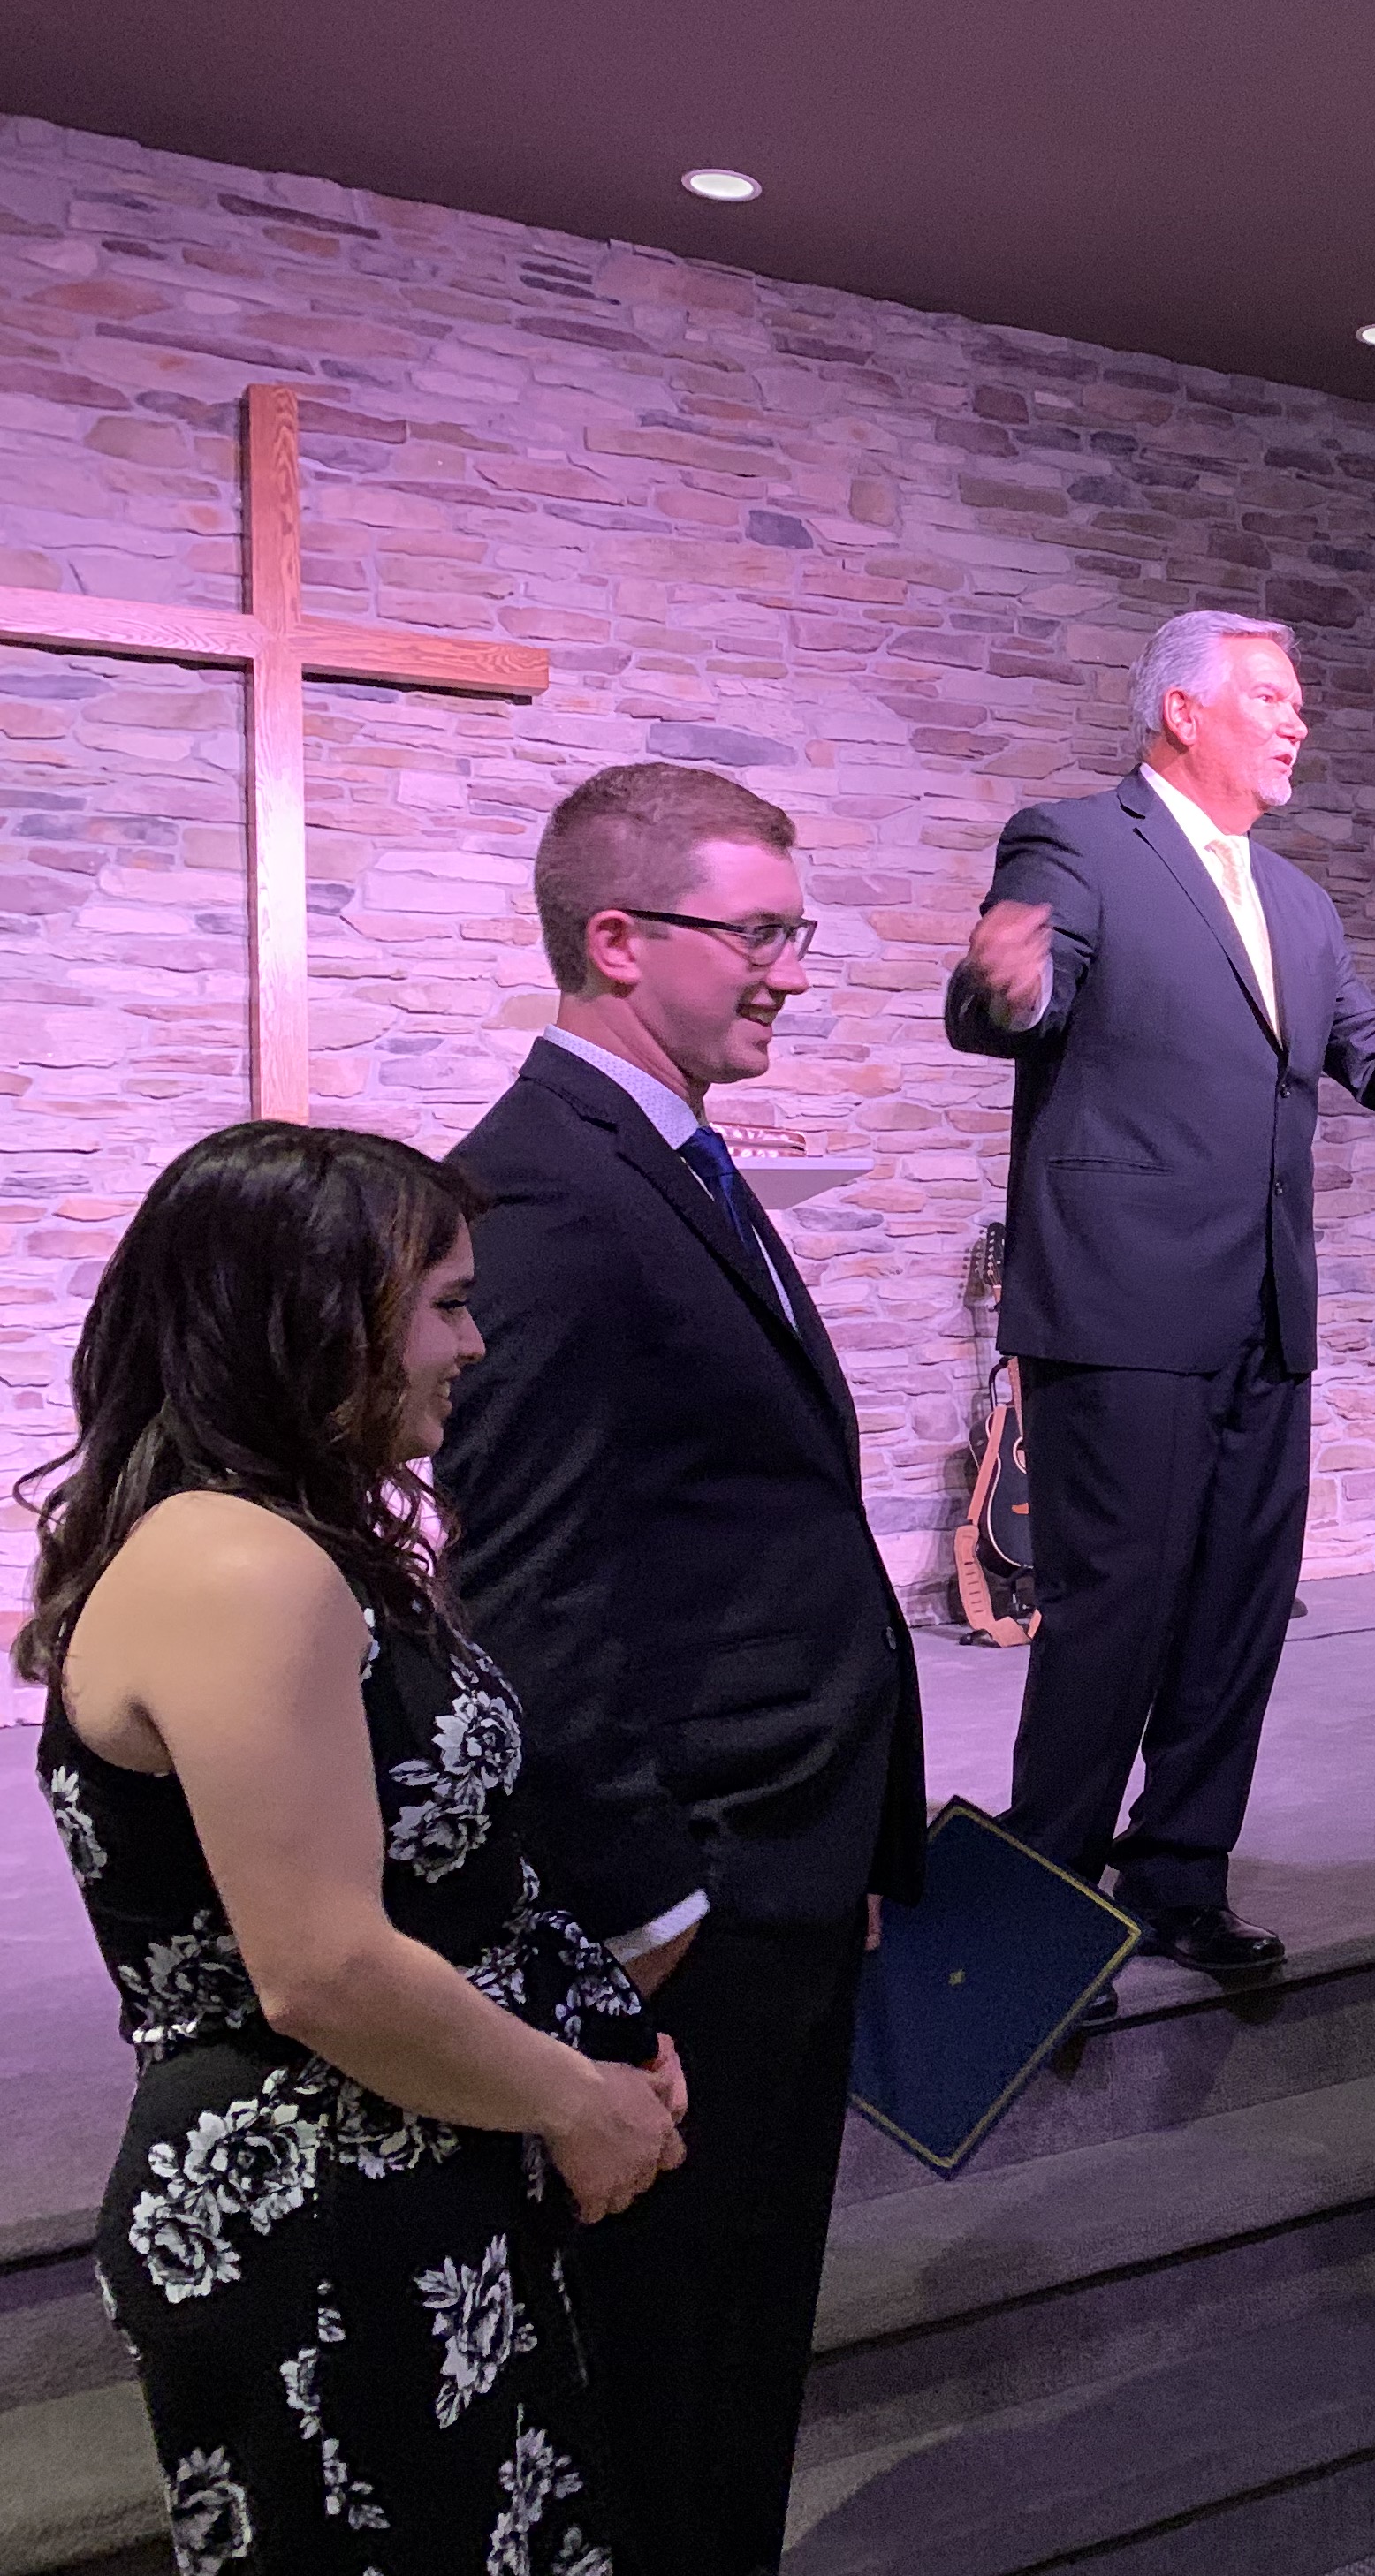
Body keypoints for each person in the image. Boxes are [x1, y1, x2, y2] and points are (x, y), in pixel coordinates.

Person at [19, 1122, 685, 2574]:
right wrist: (575, 2099)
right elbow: (323, 1968)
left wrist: (594, 2019)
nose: (472, 1345)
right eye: (445, 1305)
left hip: (408, 2169)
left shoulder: (291, 1542)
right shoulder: (240, 1567)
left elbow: (442, 1872)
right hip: (320, 2211)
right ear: (314, 1320)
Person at [942, 610, 1375, 1974]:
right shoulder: (1076, 842)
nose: (1297, 718)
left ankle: (1179, 1878)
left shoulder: (1298, 903)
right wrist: (1002, 991)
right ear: (1182, 711)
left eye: (1298, 699)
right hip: (1123, 1310)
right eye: (1269, 695)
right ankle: (1042, 1918)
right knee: (1113, 1618)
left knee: (1237, 1616)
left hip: (1265, 1311)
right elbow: (1021, 997)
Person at [437, 763, 929, 2576]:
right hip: (694, 1893)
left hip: (782, 1848)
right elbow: (528, 1593)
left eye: (799, 931)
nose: (792, 971)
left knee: (745, 2340)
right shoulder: (548, 1192)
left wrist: (848, 1831)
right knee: (676, 2360)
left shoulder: (664, 1156)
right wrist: (653, 1904)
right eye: (761, 933)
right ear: (620, 939)